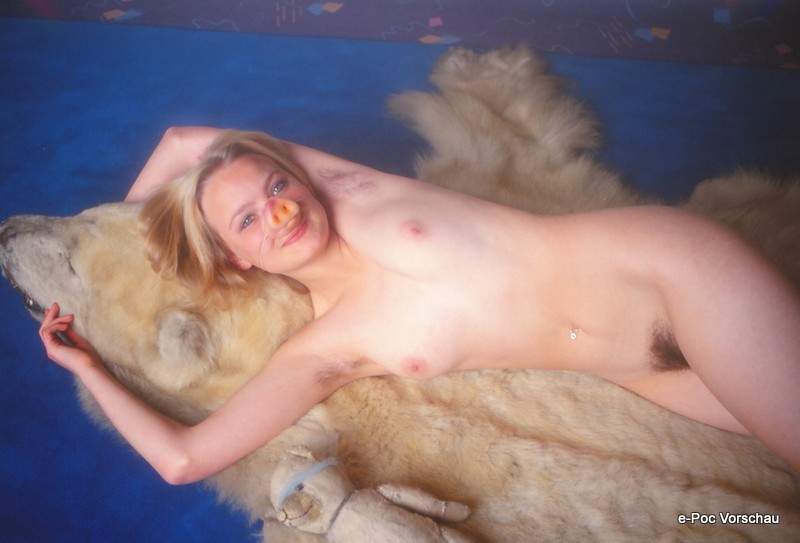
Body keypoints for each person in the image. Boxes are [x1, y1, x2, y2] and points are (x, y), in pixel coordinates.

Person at [39, 127, 800, 482]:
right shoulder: (323, 349)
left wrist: (109, 229)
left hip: (666, 270)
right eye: (246, 220)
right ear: (238, 258)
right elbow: (183, 459)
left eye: (276, 187)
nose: (278, 212)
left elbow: (181, 141)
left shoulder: (362, 195)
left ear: (300, 178)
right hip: (642, 371)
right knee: (753, 513)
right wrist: (87, 365)